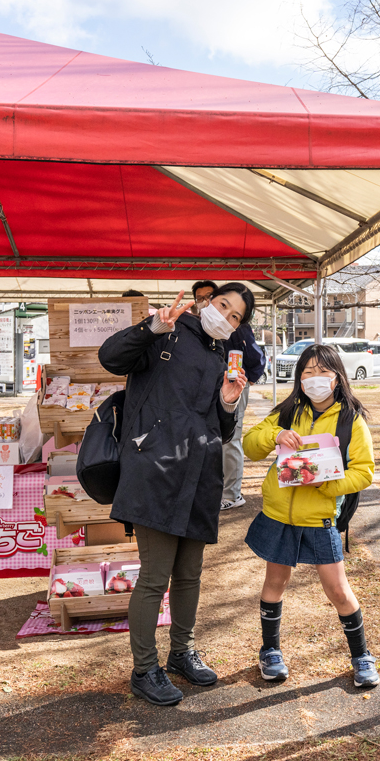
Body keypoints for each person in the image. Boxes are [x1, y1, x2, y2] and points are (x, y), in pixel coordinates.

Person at [99, 284, 256, 707]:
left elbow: (222, 431)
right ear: (206, 302)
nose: (226, 316)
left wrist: (227, 403)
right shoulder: (166, 332)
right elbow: (110, 357)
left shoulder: (222, 356)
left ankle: (181, 652)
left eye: (236, 316)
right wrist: (151, 327)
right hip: (154, 471)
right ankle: (144, 669)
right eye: (223, 305)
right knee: (155, 576)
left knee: (189, 574)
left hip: (200, 475)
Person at [242, 344, 377, 688]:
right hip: (279, 516)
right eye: (308, 372)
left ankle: (362, 656)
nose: (315, 378)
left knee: (338, 590)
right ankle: (270, 651)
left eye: (323, 371)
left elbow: (363, 472)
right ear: (299, 379)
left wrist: (328, 485)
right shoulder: (288, 412)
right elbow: (250, 445)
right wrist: (275, 435)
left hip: (319, 518)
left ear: (337, 377)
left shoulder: (350, 420)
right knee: (275, 584)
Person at [192, 280, 265, 510]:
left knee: (230, 439)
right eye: (200, 298)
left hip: (234, 386)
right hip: (210, 388)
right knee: (212, 437)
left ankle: (232, 494)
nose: (205, 302)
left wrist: (247, 379)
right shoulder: (196, 326)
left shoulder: (236, 327)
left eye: (208, 296)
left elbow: (256, 357)